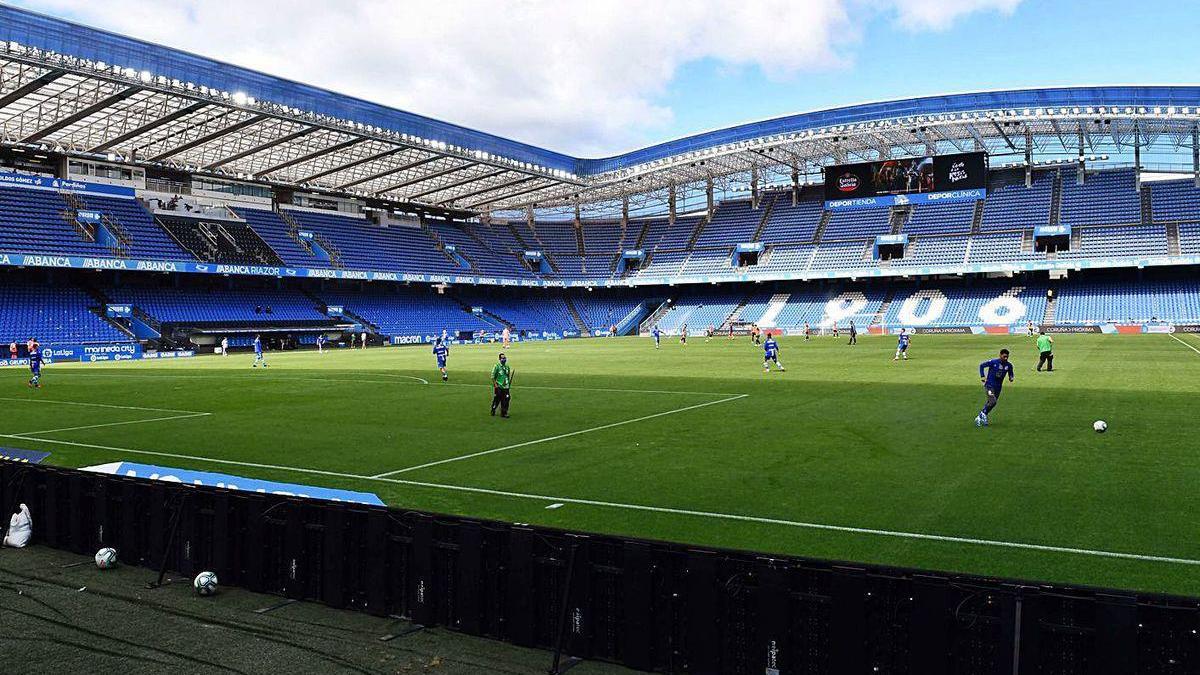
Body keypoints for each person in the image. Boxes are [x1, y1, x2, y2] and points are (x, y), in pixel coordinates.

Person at [976, 349, 1015, 427]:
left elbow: (1011, 373)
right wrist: (982, 376)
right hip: (989, 385)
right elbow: (981, 366)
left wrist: (1011, 377)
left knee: (991, 403)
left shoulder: (1009, 365)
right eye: (1004, 356)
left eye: (1007, 357)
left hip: (998, 387)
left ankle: (980, 418)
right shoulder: (993, 362)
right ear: (1000, 355)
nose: (1006, 358)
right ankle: (982, 414)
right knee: (993, 401)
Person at [490, 353, 513, 418]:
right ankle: (493, 409)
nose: (504, 359)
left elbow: (507, 376)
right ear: (499, 359)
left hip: (506, 387)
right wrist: (495, 385)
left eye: (505, 358)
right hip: (499, 386)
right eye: (502, 358)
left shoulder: (507, 367)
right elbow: (492, 376)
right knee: (497, 399)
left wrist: (508, 384)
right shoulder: (496, 366)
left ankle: (504, 412)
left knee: (506, 399)